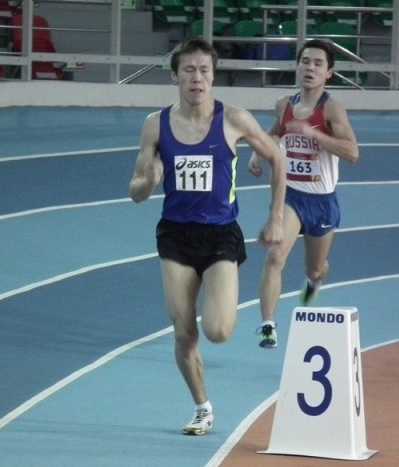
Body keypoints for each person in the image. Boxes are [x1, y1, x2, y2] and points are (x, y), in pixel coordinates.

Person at [129, 38, 286, 435]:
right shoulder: (155, 125)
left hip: (219, 236)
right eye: (188, 70)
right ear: (175, 76)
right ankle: (202, 407)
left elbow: (277, 159)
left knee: (217, 331)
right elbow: (135, 191)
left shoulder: (233, 119)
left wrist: (276, 218)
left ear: (213, 76)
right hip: (175, 236)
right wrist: (150, 180)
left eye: (204, 71)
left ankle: (222, 298)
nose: (196, 78)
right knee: (184, 333)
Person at [248, 39, 359, 349]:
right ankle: (268, 326)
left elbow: (352, 153)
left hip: (322, 203)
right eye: (305, 61)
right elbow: (275, 130)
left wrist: (314, 134)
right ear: (297, 67)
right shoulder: (284, 104)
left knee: (315, 268)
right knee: (275, 256)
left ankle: (313, 281)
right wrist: (258, 152)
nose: (310, 68)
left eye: (318, 64)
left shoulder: (332, 108)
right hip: (291, 197)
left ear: (329, 73)